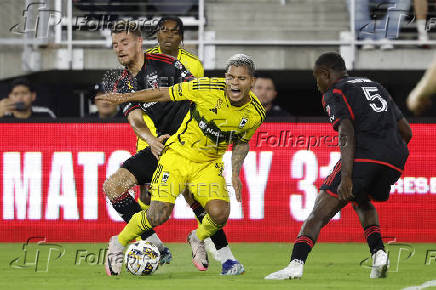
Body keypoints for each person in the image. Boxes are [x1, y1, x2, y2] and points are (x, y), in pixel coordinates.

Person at [98, 53, 265, 276]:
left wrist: (235, 173)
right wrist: (127, 97)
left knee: (220, 213)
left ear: (252, 82)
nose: (234, 83)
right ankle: (117, 244)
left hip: (207, 164)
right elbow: (163, 93)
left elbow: (242, 143)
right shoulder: (205, 87)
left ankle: (198, 237)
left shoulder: (256, 113)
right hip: (177, 156)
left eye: (241, 79)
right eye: (230, 77)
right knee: (158, 214)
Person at [265, 52, 412, 280]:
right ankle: (379, 254)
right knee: (361, 200)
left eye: (317, 78)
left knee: (319, 211)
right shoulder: (375, 86)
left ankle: (295, 265)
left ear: (326, 73)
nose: (318, 84)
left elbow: (346, 130)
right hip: (396, 157)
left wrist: (347, 176)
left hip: (365, 155)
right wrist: (389, 155)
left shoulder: (336, 91)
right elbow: (406, 131)